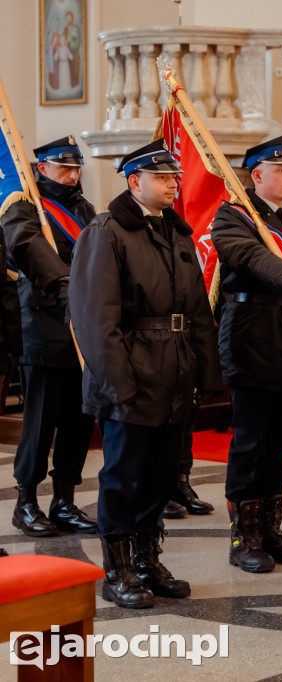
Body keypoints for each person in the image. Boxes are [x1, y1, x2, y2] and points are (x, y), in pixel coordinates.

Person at [69, 141, 219, 608]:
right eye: (163, 177)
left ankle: (147, 560)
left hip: (174, 373)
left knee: (160, 475)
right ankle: (117, 569)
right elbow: (95, 319)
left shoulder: (175, 231)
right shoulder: (107, 231)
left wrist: (205, 373)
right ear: (134, 182)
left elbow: (196, 310)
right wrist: (119, 385)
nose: (174, 184)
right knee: (123, 478)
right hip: (132, 376)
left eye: (175, 177)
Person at [211, 135, 282, 574]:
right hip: (253, 339)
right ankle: (245, 536)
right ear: (257, 175)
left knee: (280, 443)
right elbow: (251, 257)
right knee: (251, 442)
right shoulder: (233, 216)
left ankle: (271, 529)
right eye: (281, 170)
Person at [3, 136, 96, 538]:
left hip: (85, 328)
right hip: (44, 327)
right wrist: (64, 285)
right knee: (40, 423)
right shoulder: (26, 205)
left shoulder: (83, 208)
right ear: (42, 168)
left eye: (76, 168)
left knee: (79, 421)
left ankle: (64, 501)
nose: (73, 175)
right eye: (65, 168)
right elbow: (25, 246)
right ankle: (26, 502)